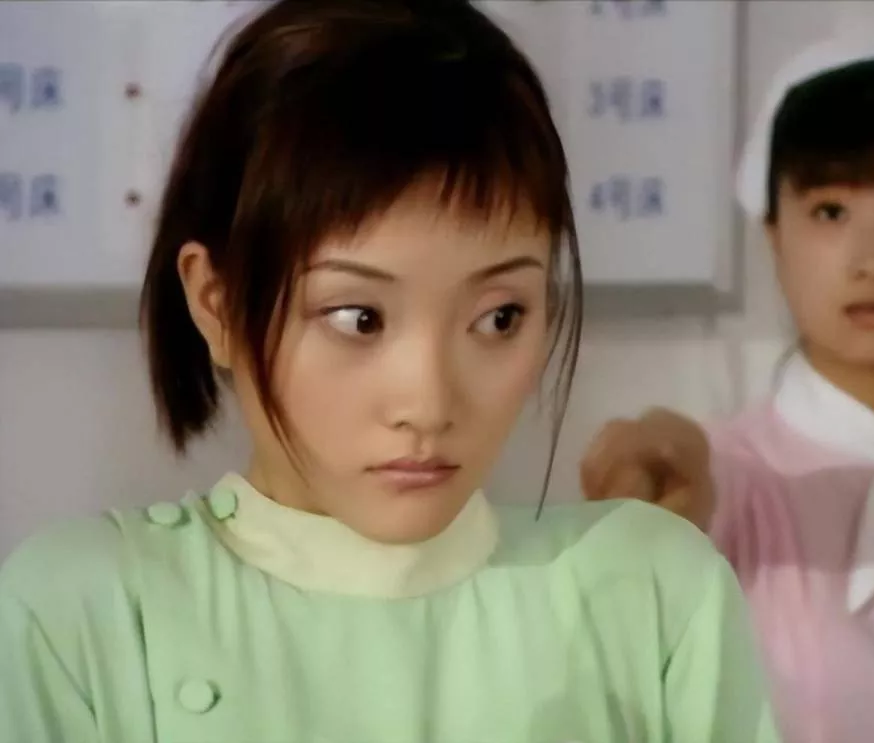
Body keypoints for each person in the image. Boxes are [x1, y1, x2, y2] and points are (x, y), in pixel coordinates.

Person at [0, 2, 778, 741]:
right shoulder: (87, 611)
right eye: (358, 318)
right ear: (218, 304)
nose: (429, 403)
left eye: (498, 317)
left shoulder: (650, 591)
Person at [581, 38, 874, 743]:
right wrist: (658, 477)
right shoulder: (728, 479)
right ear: (774, 234)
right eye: (831, 212)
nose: (873, 261)